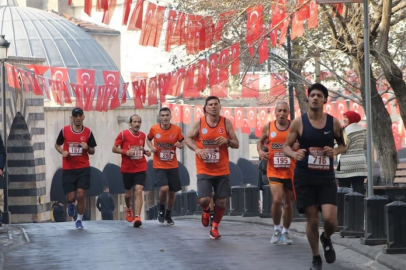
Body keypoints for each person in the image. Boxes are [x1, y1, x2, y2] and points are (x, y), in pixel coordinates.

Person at [283, 83, 346, 270]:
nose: (315, 98)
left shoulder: (333, 122)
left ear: (325, 100)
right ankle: (316, 258)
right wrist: (295, 154)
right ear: (308, 99)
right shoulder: (298, 122)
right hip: (304, 177)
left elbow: (343, 144)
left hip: (325, 177)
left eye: (319, 95)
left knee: (330, 219)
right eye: (312, 95)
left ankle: (326, 238)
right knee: (311, 219)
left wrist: (334, 151)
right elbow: (286, 146)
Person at [185, 96, 239, 239]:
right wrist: (197, 150)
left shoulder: (226, 123)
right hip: (204, 168)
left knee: (221, 201)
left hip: (222, 169)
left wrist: (227, 140)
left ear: (220, 106)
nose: (213, 107)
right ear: (206, 108)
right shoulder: (200, 123)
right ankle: (206, 210)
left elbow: (236, 143)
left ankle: (214, 227)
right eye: (210, 105)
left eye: (216, 104)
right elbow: (188, 138)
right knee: (204, 199)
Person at [257, 101, 296, 245]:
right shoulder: (269, 127)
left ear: (288, 113)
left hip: (290, 171)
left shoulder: (294, 127)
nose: (282, 113)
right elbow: (260, 142)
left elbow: (303, 144)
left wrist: (297, 147)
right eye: (279, 110)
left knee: (288, 204)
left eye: (284, 111)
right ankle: (276, 228)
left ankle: (285, 232)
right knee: (277, 199)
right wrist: (261, 151)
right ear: (275, 112)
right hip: (274, 169)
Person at [55, 107, 97, 229]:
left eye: (80, 116)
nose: (78, 118)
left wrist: (87, 148)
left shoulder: (88, 132)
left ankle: (79, 219)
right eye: (76, 116)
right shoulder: (64, 131)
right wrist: (63, 152)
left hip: (83, 167)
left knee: (81, 193)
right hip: (69, 168)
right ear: (72, 117)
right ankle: (71, 203)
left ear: (83, 117)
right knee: (71, 196)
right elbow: (57, 145)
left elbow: (93, 150)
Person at [147, 107, 184, 225]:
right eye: (162, 115)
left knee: (172, 193)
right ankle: (161, 209)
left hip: (172, 165)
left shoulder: (176, 129)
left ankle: (168, 214)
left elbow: (183, 142)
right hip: (159, 165)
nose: (165, 118)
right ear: (160, 117)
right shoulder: (154, 129)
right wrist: (151, 147)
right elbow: (148, 139)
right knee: (164, 188)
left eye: (167, 115)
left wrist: (180, 145)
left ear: (170, 116)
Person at [112, 114, 151, 227]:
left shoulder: (142, 136)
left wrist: (145, 152)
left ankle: (137, 217)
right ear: (130, 123)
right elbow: (114, 148)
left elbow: (139, 148)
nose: (137, 124)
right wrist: (125, 152)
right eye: (134, 122)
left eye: (139, 122)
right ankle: (128, 208)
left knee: (139, 190)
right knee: (128, 194)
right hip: (127, 169)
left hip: (140, 167)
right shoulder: (123, 134)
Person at [334, 111, 367, 194]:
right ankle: (359, 206)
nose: (343, 119)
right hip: (360, 164)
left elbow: (343, 147)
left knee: (343, 190)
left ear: (351, 119)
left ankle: (345, 207)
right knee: (359, 189)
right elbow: (366, 146)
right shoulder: (363, 130)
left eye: (346, 117)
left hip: (346, 165)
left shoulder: (345, 131)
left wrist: (334, 146)